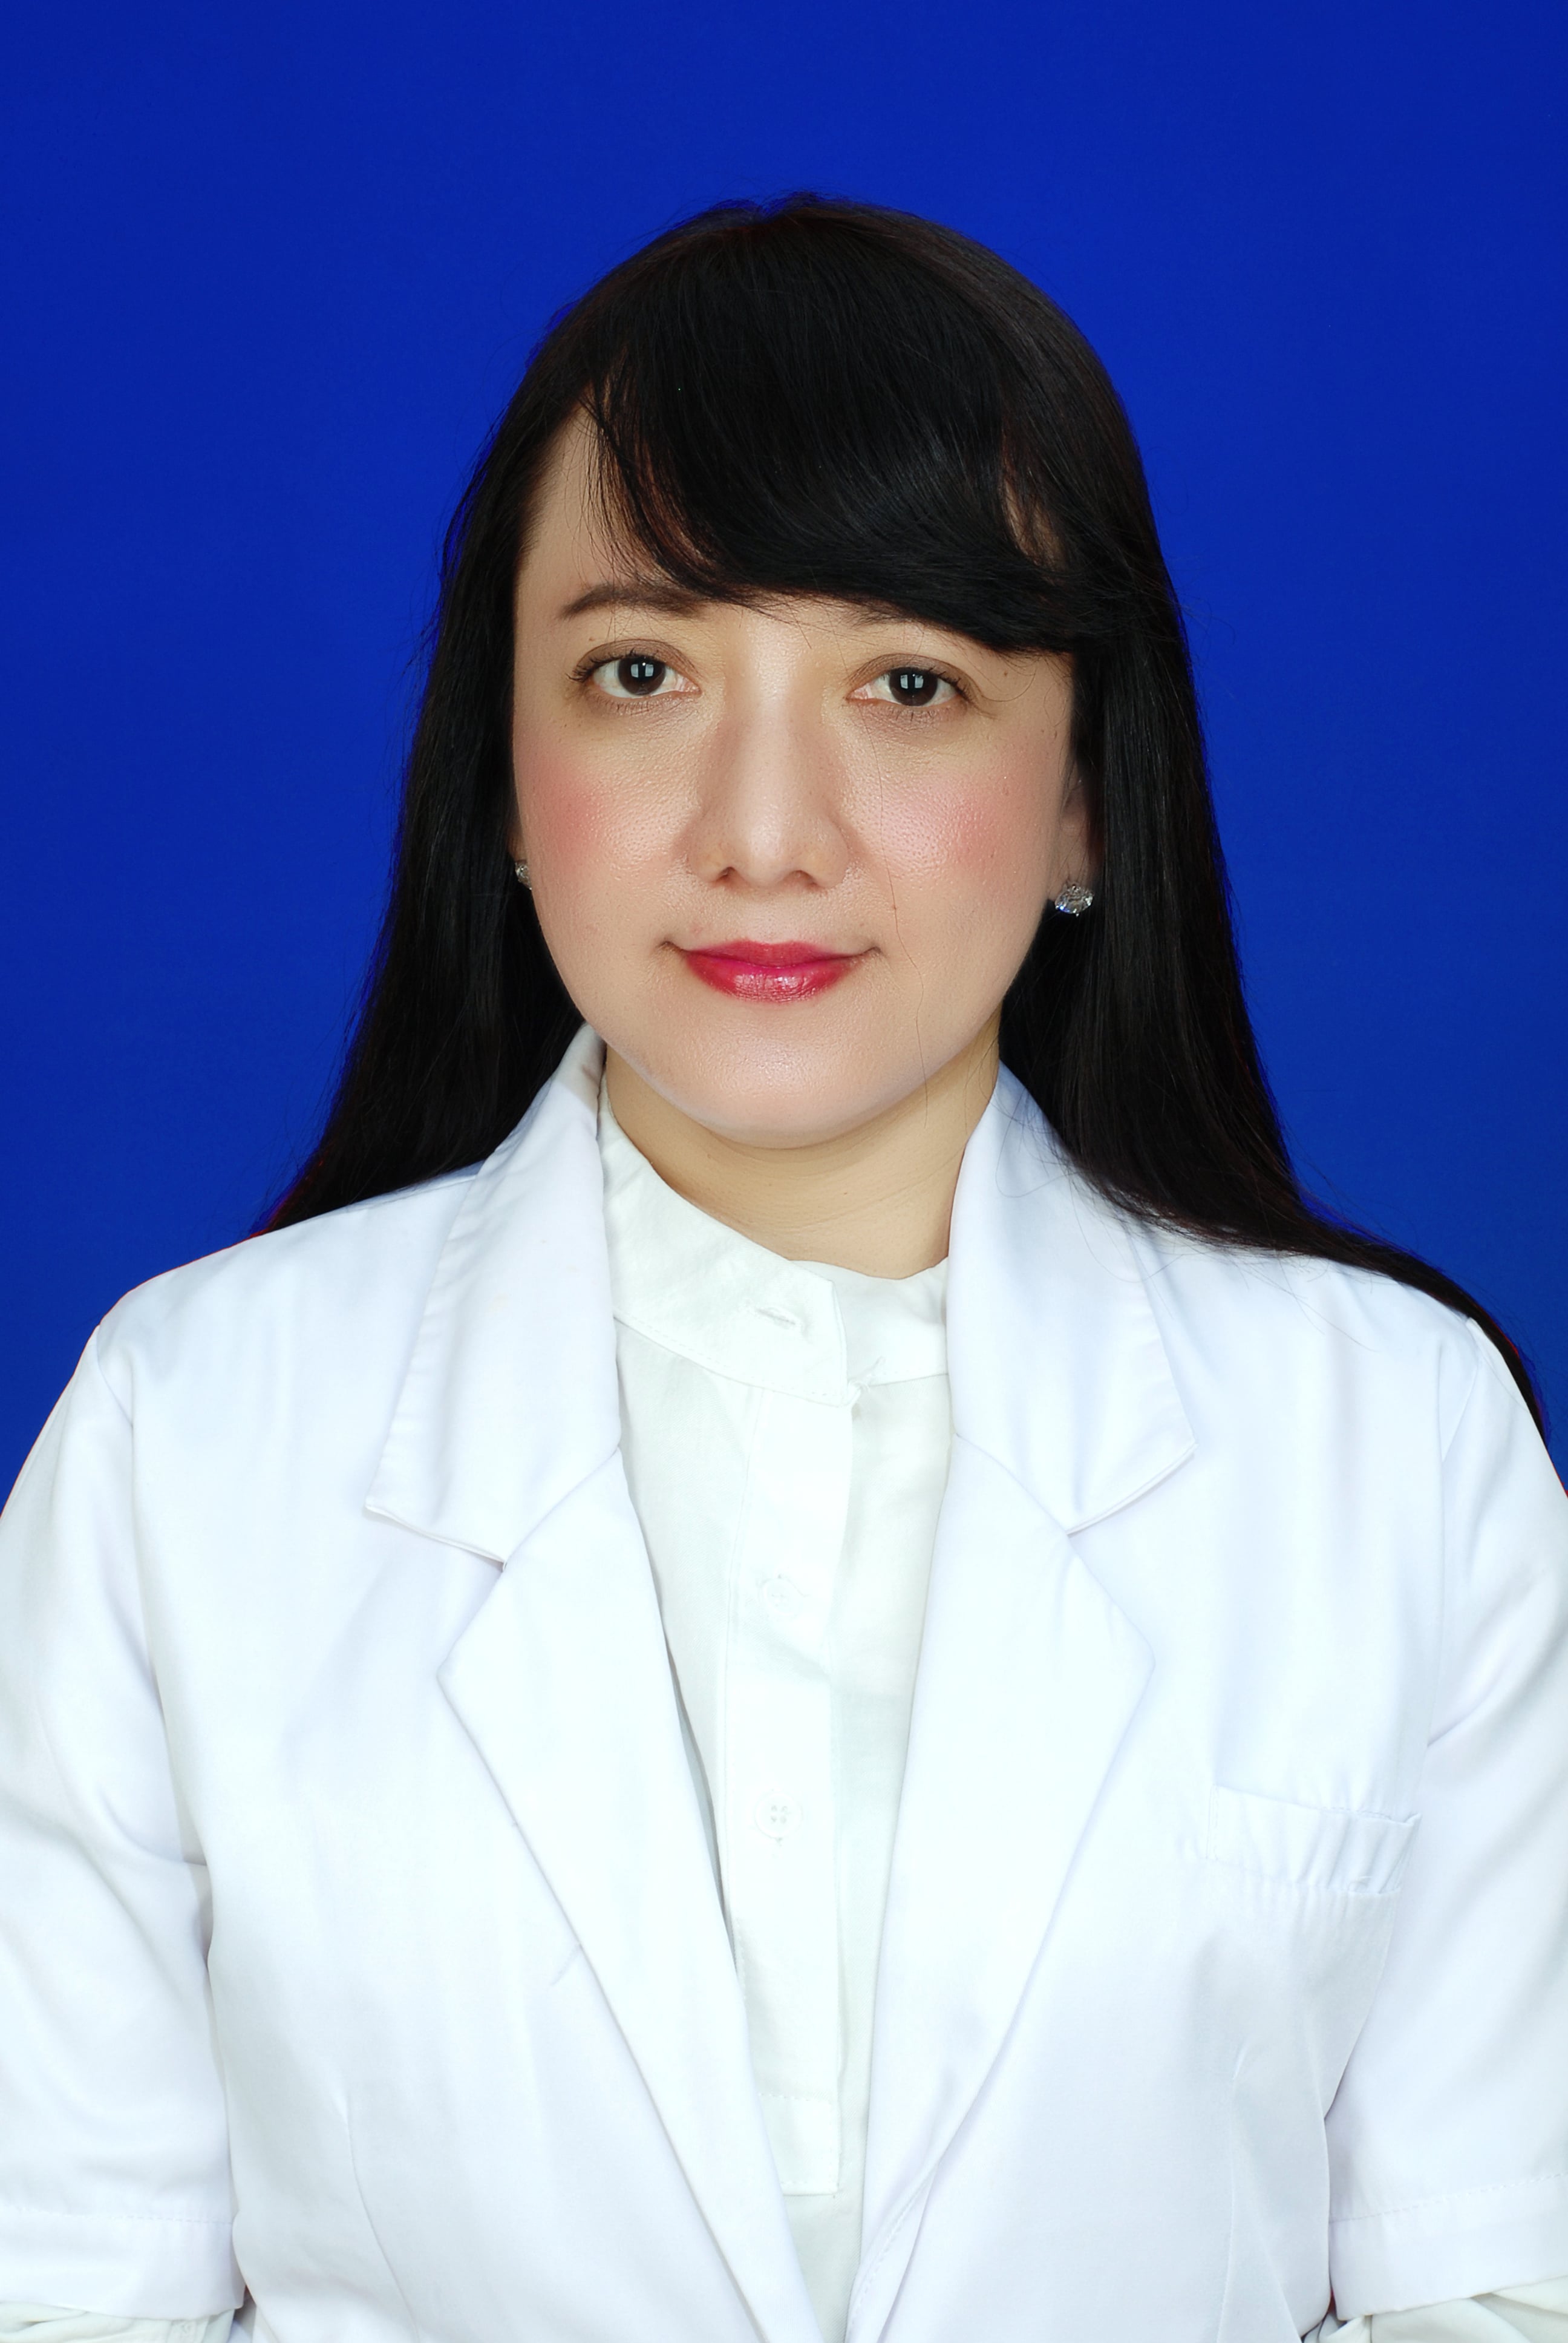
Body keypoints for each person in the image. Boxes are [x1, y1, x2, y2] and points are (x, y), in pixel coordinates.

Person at [0, 195, 1564, 2343]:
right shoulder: (185, 1441)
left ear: (1089, 797)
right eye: (641, 674)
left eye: (909, 683)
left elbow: (1509, 2283)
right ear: (504, 778)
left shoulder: (1402, 1451)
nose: (763, 831)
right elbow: (60, 2287)